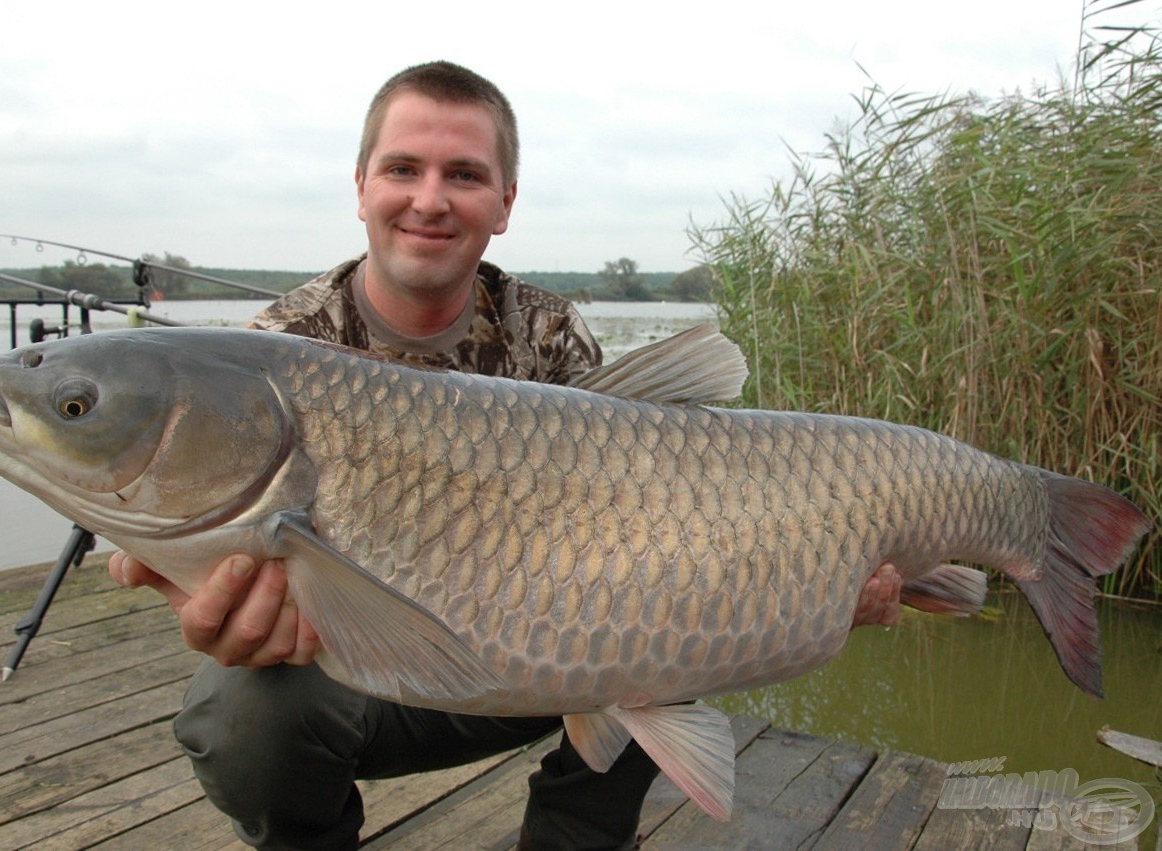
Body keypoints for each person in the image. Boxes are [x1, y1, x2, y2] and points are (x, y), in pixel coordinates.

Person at [109, 60, 902, 851]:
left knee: (651, 634)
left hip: (541, 652)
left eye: (464, 174)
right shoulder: (277, 353)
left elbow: (655, 537)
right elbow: (224, 556)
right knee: (238, 711)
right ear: (361, 187)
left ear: (504, 202)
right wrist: (204, 594)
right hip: (363, 663)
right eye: (402, 169)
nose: (429, 198)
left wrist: (818, 575)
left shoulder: (549, 332)